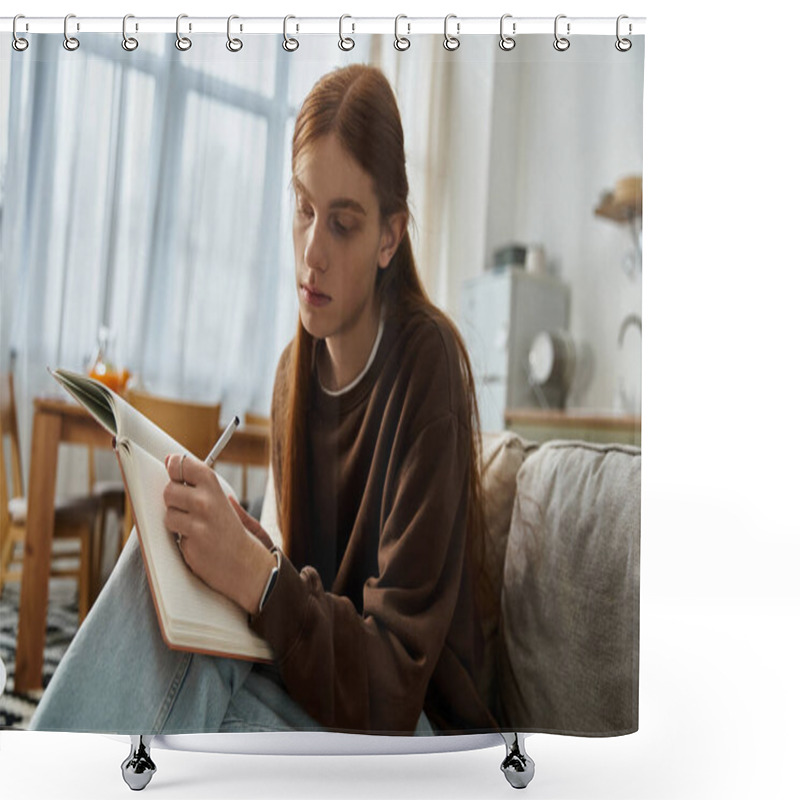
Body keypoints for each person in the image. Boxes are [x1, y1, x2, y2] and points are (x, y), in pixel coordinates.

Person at [31, 64, 497, 736]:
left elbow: (394, 686)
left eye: (343, 224)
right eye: (304, 209)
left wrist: (262, 580)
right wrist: (246, 552)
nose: (312, 254)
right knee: (162, 570)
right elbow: (304, 598)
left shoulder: (428, 368)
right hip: (324, 691)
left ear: (391, 236)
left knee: (185, 699)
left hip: (410, 726)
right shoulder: (294, 372)